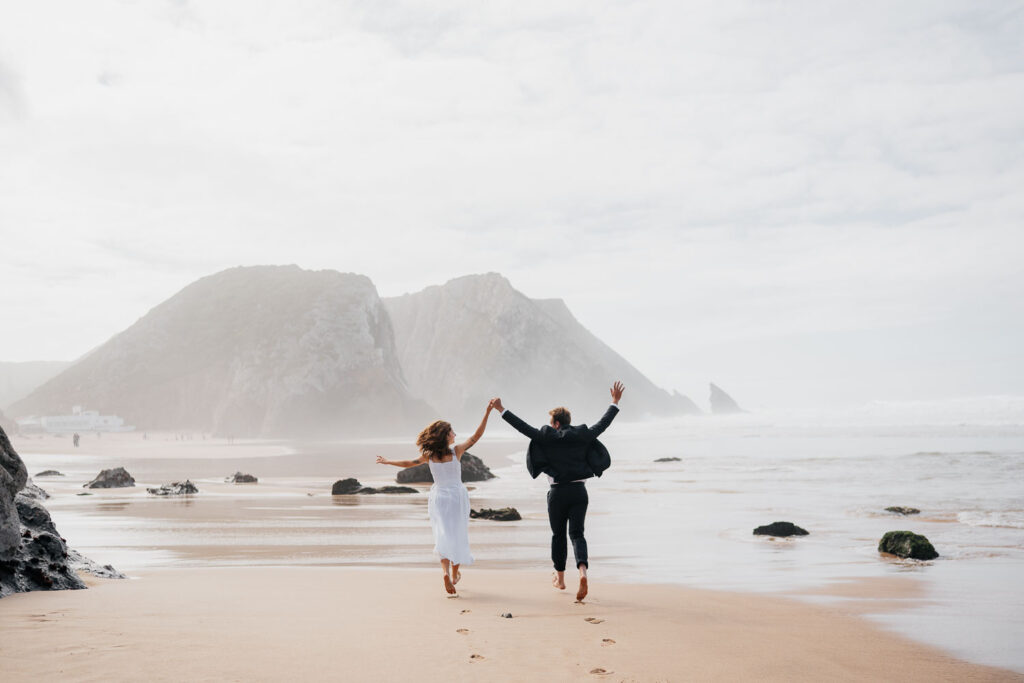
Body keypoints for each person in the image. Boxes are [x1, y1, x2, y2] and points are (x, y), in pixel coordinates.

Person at [492, 381, 624, 602]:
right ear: (568, 422)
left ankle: (560, 579)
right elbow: (603, 424)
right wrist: (614, 402)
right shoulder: (582, 435)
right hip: (580, 491)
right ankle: (582, 572)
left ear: (555, 423)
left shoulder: (547, 436)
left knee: (558, 534)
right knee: (577, 534)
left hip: (557, 493)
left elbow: (523, 427)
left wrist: (501, 409)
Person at [376, 401, 496, 595]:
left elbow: (409, 463)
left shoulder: (429, 455)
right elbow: (476, 436)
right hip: (456, 496)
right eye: (452, 432)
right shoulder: (456, 452)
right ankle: (455, 575)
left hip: (439, 497)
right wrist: (487, 412)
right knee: (457, 534)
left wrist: (388, 461)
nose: (455, 434)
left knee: (442, 535)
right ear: (446, 436)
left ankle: (445, 573)